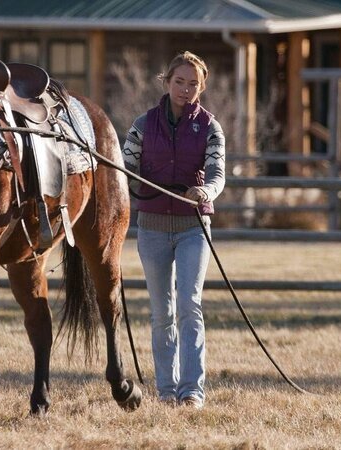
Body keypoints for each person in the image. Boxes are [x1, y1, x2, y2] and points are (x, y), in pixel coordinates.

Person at [121, 51, 225, 408]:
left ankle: (192, 391)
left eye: (193, 83)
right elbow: (125, 170)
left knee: (188, 305)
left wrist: (205, 192)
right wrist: (136, 186)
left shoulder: (210, 127)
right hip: (151, 228)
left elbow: (217, 173)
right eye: (179, 82)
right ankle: (166, 389)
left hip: (193, 227)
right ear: (166, 82)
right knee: (161, 310)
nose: (185, 89)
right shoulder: (142, 125)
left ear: (202, 87)